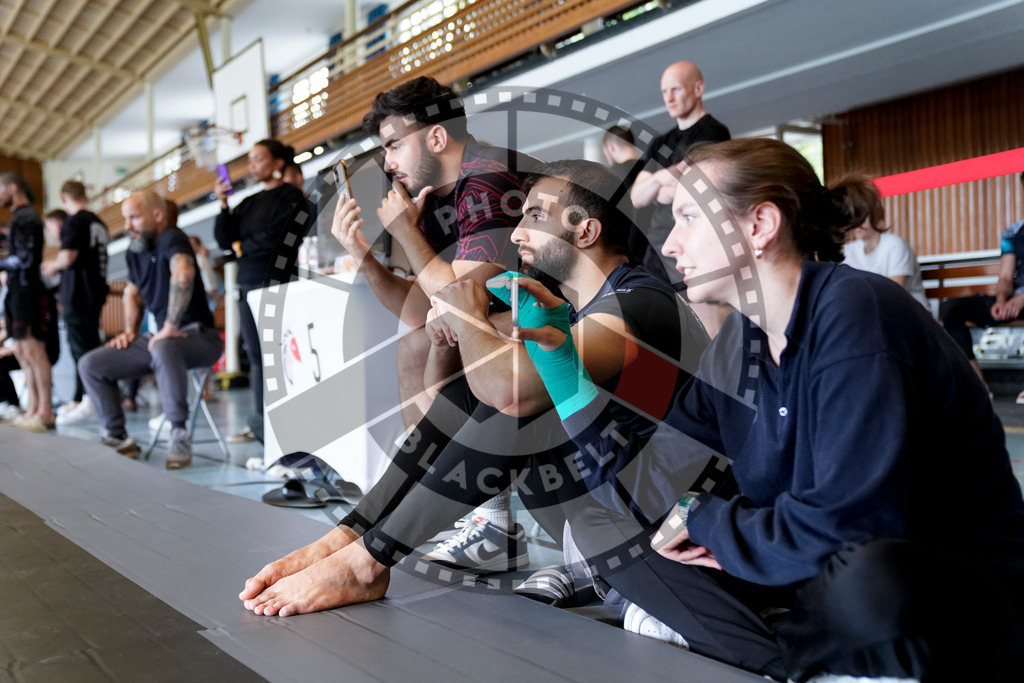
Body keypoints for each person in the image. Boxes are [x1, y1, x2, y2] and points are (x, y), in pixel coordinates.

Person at [513, 139, 1024, 681]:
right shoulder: (741, 338)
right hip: (806, 568)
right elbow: (651, 474)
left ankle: (768, 644)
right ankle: (792, 661)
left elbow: (852, 524)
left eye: (689, 217)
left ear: (759, 225)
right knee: (601, 523)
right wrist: (563, 368)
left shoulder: (856, 312)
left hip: (932, 584)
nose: (670, 242)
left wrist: (705, 521)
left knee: (865, 580)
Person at [237, 160, 709, 617]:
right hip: (598, 514)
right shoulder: (568, 308)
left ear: (586, 232)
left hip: (663, 527)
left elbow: (510, 397)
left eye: (535, 216)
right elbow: (443, 402)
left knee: (526, 397)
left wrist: (468, 317)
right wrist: (451, 334)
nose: (518, 233)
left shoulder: (639, 301)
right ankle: (348, 538)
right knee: (500, 386)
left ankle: (368, 562)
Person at [330, 76, 536, 558]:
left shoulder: (487, 178)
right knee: (416, 344)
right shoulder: (433, 199)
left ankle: (493, 523)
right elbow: (418, 310)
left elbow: (463, 298)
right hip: (510, 311)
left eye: (394, 145)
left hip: (579, 318)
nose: (387, 163)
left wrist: (406, 233)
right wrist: (361, 254)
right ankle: (451, 503)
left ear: (437, 137)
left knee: (449, 339)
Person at [79, 191, 222, 467]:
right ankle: (118, 437)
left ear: (157, 215)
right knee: (91, 364)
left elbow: (183, 273)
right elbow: (131, 294)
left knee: (164, 345)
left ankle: (178, 433)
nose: (127, 226)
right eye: (125, 219)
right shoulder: (135, 251)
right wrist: (130, 331)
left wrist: (170, 325)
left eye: (134, 217)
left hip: (201, 337)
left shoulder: (172, 237)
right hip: (160, 339)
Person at [214, 139, 308, 443]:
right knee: (256, 356)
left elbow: (278, 239)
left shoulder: (291, 196)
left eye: (258, 159)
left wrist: (243, 247)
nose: (252, 165)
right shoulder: (249, 203)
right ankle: (261, 425)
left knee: (279, 354)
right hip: (247, 284)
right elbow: (224, 239)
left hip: (276, 282)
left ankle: (287, 427)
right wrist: (223, 204)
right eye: (251, 160)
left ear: (277, 163)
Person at [629, 61, 730, 276]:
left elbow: (688, 187)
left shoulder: (713, 133)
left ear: (698, 89)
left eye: (676, 89)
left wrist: (654, 186)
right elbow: (637, 197)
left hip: (689, 244)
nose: (669, 98)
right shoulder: (660, 142)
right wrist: (660, 178)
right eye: (664, 91)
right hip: (655, 247)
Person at [941, 172, 1024, 384]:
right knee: (951, 309)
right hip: (1014, 301)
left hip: (1021, 300)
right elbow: (1006, 276)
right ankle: (977, 383)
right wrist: (1001, 300)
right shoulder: (1013, 233)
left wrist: (1021, 299)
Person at [40, 180, 110, 426]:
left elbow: (68, 256)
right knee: (87, 346)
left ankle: (89, 398)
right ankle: (83, 396)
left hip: (80, 294)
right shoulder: (97, 221)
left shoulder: (75, 221)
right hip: (94, 292)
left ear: (63, 197)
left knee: (82, 349)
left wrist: (52, 265)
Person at [0, 170, 57, 432]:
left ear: (12, 188)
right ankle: (33, 408)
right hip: (16, 290)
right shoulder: (17, 217)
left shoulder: (26, 216)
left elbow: (25, 259)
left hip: (28, 291)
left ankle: (46, 412)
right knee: (22, 351)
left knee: (34, 350)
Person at [835, 174, 927, 308]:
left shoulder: (896, 245)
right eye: (856, 218)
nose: (858, 224)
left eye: (864, 218)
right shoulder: (850, 250)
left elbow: (895, 290)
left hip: (907, 308)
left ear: (880, 222)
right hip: (871, 309)